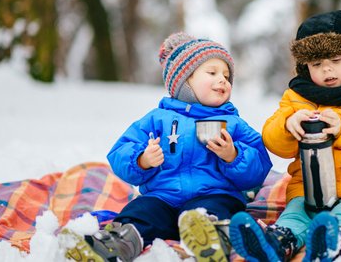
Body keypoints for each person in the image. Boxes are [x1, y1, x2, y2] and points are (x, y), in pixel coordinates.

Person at [74, 32, 272, 262]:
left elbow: (259, 166)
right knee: (141, 211)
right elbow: (120, 152)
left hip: (215, 194)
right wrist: (142, 160)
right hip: (163, 197)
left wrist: (233, 155)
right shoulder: (157, 119)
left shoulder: (233, 123)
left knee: (211, 211)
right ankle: (117, 243)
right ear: (185, 80)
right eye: (212, 73)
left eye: (227, 76)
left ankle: (210, 238)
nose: (223, 80)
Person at [229, 10, 341, 262]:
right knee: (294, 215)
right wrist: (288, 125)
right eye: (316, 64)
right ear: (305, 67)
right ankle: (275, 243)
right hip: (308, 190)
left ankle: (328, 241)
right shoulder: (297, 98)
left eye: (335, 60)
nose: (326, 70)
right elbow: (272, 140)